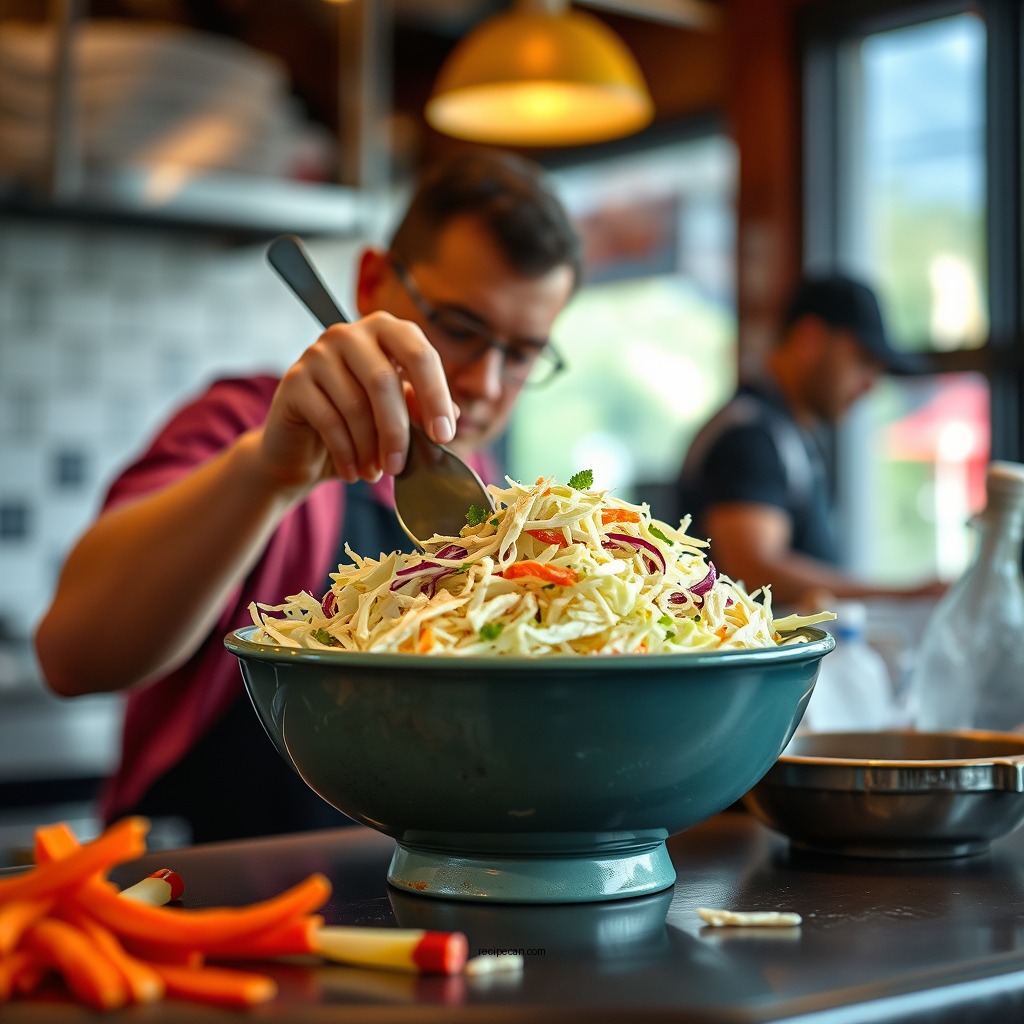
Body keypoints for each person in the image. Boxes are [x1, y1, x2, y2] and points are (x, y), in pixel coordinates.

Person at [34, 148, 582, 843]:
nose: (484, 380)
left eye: (523, 353)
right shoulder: (245, 424)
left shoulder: (496, 505)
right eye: (460, 329)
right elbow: (73, 656)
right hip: (206, 892)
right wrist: (267, 472)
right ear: (373, 281)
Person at [673, 273, 946, 609]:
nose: (870, 385)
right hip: (746, 656)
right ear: (810, 339)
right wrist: (901, 597)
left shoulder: (788, 434)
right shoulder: (749, 436)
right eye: (862, 361)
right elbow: (752, 569)